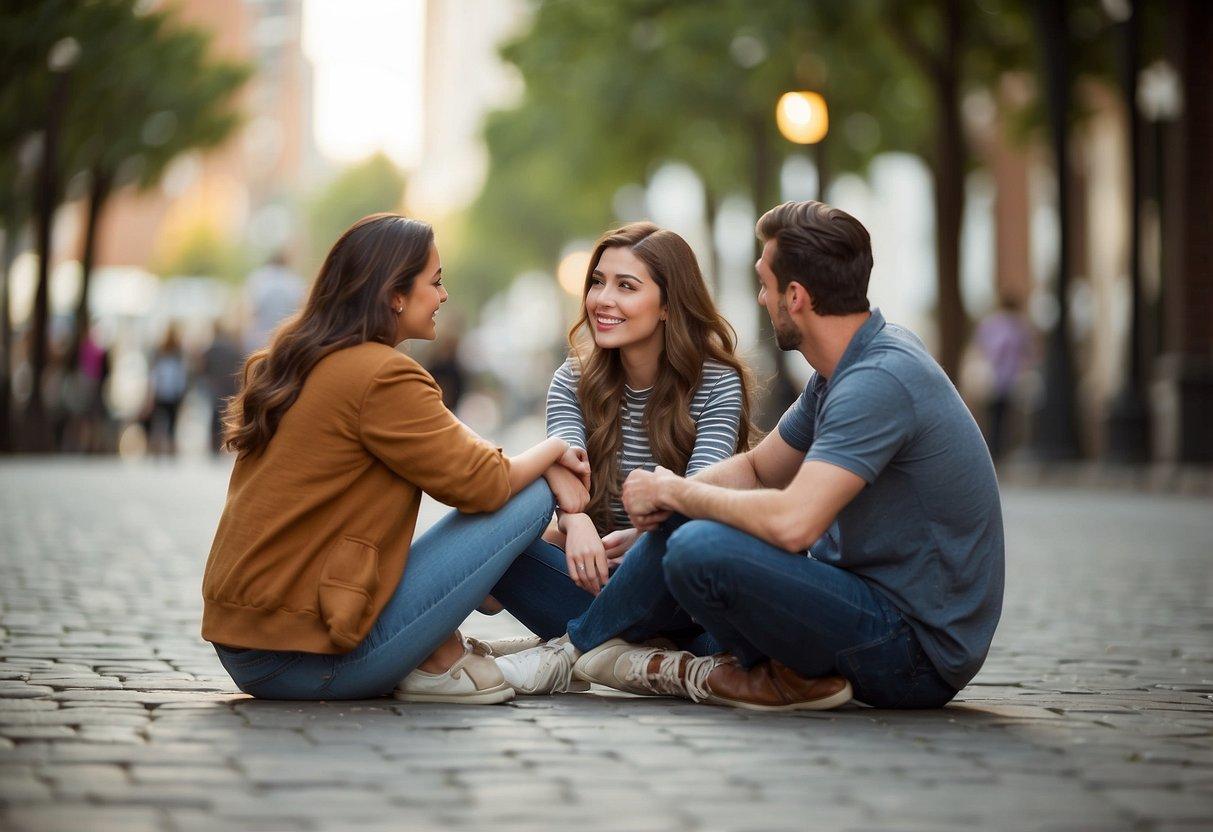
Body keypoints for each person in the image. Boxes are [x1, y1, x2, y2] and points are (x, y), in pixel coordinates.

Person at [500, 201, 1005, 711]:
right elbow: (758, 467)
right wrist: (669, 508)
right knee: (685, 527)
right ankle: (648, 655)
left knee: (698, 545)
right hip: (854, 602)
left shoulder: (878, 380)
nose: (761, 298)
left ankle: (574, 648)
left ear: (797, 297)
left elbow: (792, 524)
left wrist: (674, 493)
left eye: (764, 285)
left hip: (911, 649)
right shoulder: (842, 374)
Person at [201, 214, 591, 704]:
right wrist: (554, 450)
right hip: (307, 658)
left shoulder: (302, 360)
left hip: (253, 646)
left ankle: (441, 652)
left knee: (521, 485)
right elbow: (484, 482)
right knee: (530, 495)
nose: (444, 296)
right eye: (436, 281)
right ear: (395, 294)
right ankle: (451, 658)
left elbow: (469, 462)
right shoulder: (381, 374)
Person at [483, 222, 756, 692]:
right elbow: (567, 470)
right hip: (596, 580)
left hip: (682, 593)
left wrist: (647, 541)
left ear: (668, 305)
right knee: (495, 527)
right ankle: (634, 655)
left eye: (626, 286)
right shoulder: (572, 381)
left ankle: (575, 650)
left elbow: (698, 498)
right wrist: (575, 522)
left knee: (681, 540)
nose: (601, 299)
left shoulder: (716, 382)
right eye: (597, 281)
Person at [974, 297, 1033, 460]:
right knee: (1004, 417)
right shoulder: (1017, 326)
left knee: (993, 416)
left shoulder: (991, 324)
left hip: (994, 378)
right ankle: (999, 449)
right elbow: (1025, 353)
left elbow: (982, 348)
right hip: (1007, 379)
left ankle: (993, 449)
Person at [146, 325, 189, 456]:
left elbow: (155, 375)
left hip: (163, 392)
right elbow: (181, 376)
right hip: (172, 393)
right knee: (170, 423)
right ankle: (168, 449)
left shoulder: (163, 354)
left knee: (161, 422)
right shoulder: (176, 355)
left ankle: (158, 448)